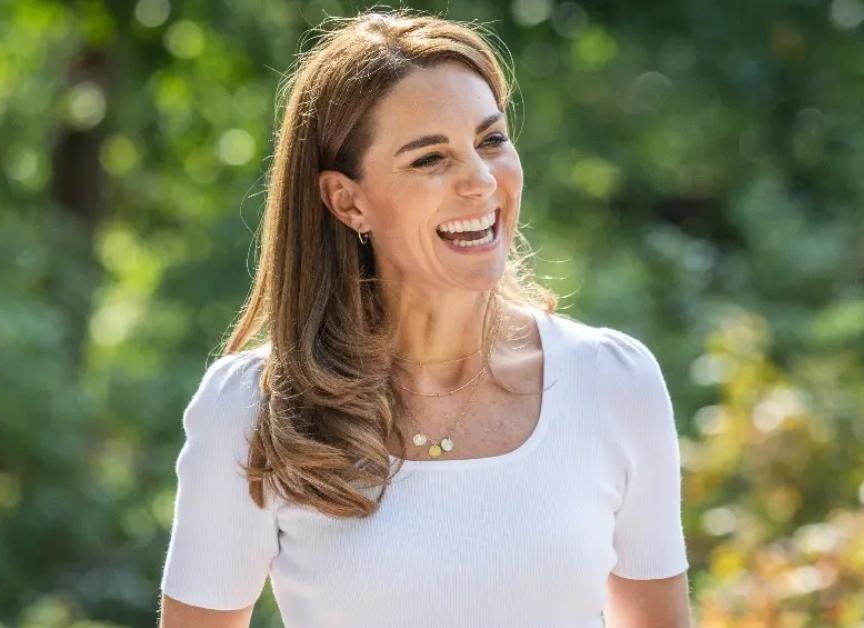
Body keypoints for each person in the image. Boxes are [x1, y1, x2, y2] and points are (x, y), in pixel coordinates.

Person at [159, 9, 691, 628]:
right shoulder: (254, 410)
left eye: (491, 140)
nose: (480, 181)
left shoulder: (614, 381)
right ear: (348, 200)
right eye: (429, 159)